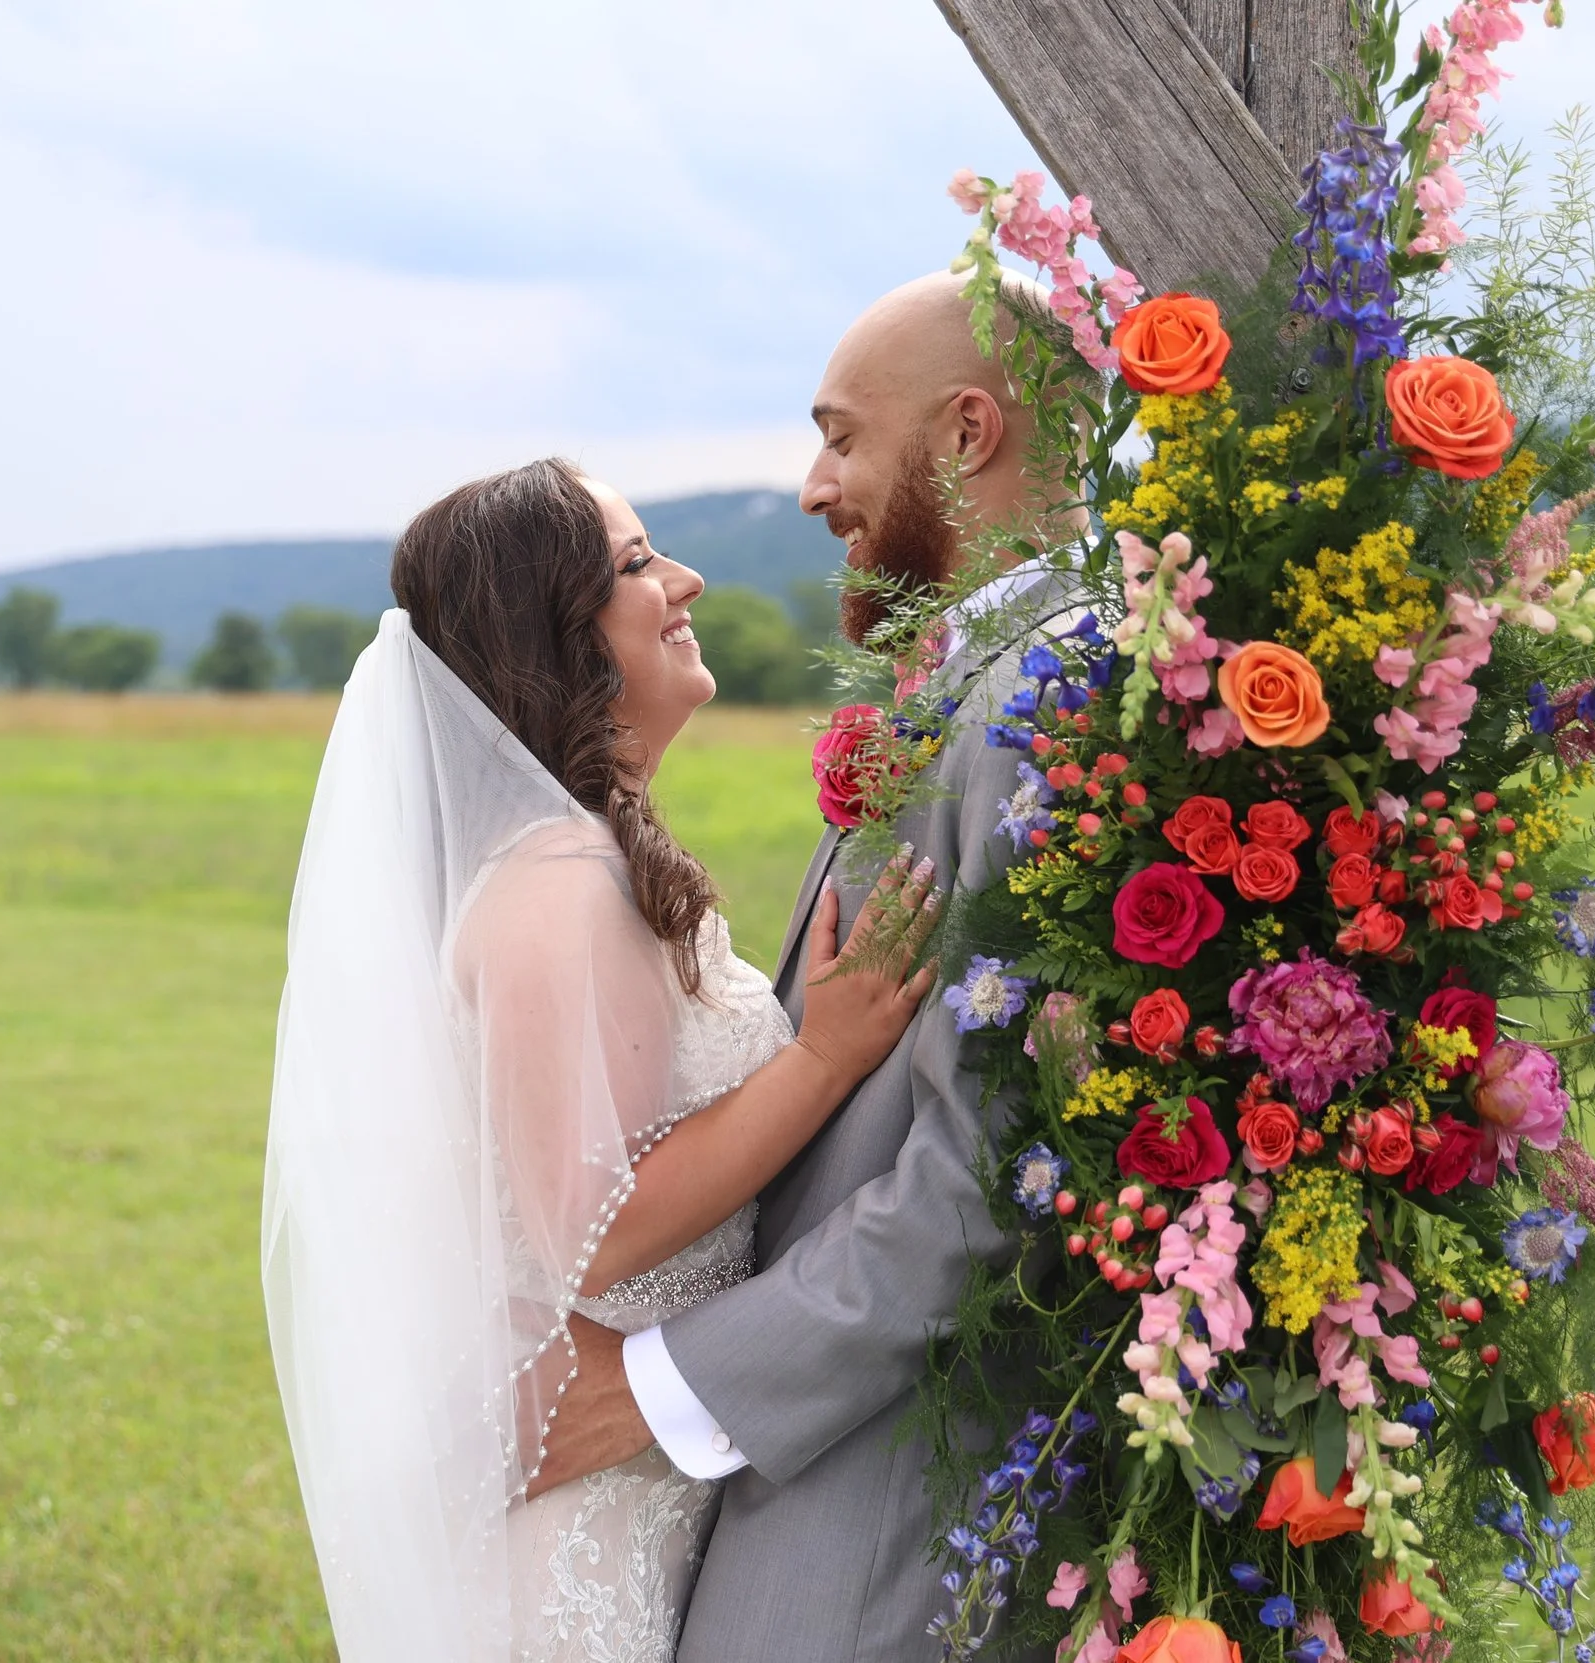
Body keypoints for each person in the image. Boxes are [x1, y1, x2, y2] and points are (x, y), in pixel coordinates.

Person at [262, 456, 944, 1663]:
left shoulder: (587, 855)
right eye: (634, 565)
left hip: (653, 1484)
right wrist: (827, 1055)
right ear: (553, 634)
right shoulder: (553, 884)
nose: (683, 581)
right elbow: (598, 1229)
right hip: (583, 1539)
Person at [526, 271, 1078, 1661]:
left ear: (965, 435)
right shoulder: (976, 683)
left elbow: (993, 1165)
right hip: (815, 1444)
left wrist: (656, 1387)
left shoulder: (1036, 703)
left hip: (885, 1491)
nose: (811, 486)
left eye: (841, 435)